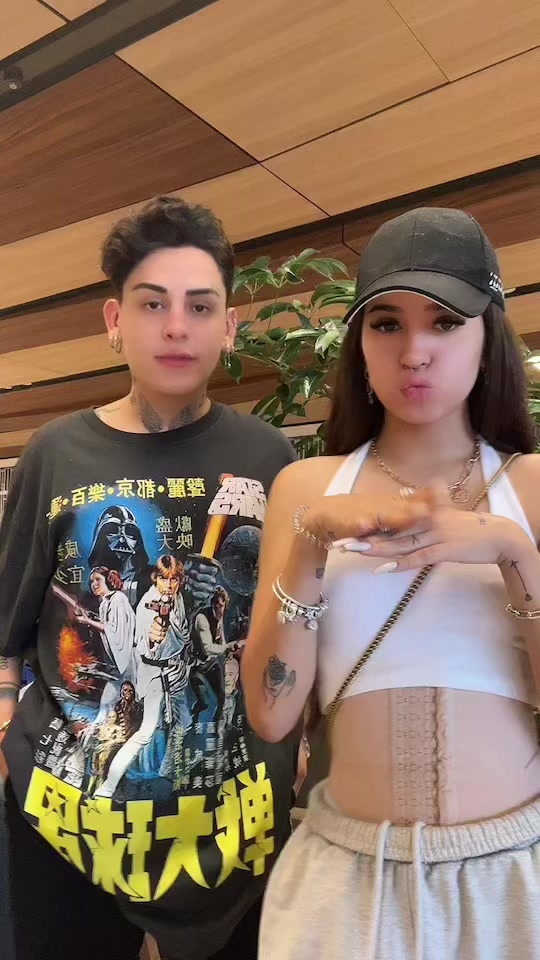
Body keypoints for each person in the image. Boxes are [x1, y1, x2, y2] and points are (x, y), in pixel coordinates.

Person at [0, 196, 301, 960]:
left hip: (235, 833)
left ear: (228, 327)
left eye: (200, 306)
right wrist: (5, 736)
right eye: (152, 303)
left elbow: (297, 625)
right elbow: (8, 624)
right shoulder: (55, 455)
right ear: (115, 321)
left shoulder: (272, 460)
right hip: (68, 831)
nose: (176, 327)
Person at [243, 207, 540, 960]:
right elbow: (272, 716)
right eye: (386, 324)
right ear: (360, 345)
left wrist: (514, 552)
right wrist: (311, 543)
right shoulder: (307, 487)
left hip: (511, 878)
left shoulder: (533, 488)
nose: (414, 352)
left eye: (446, 322)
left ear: (488, 336)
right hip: (346, 884)